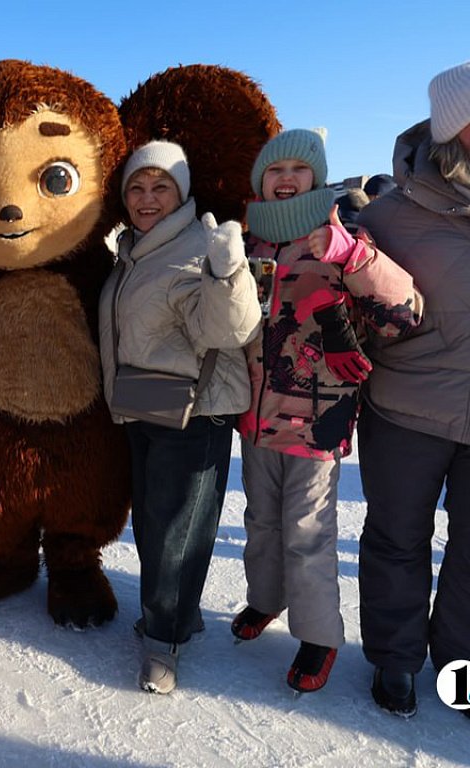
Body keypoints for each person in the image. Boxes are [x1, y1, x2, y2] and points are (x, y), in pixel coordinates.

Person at [233, 129, 422, 694]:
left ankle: (319, 635)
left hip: (317, 418)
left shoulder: (343, 237)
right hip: (256, 412)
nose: (286, 178)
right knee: (260, 521)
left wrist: (352, 257)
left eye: (298, 168)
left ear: (317, 178)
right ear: (260, 182)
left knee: (308, 532)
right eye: (274, 170)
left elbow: (405, 311)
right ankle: (265, 599)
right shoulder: (251, 243)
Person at [98, 141, 261, 693]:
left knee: (176, 532)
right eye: (137, 188)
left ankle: (162, 643)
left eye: (160, 187)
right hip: (147, 403)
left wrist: (228, 268)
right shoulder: (138, 248)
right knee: (153, 522)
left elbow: (231, 331)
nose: (147, 198)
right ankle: (177, 616)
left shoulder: (199, 246)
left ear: (182, 192)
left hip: (196, 410)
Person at [356, 60, 470, 720]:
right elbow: (351, 315)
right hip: (406, 411)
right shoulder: (391, 216)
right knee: (397, 538)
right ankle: (395, 660)